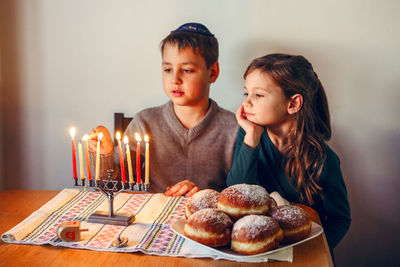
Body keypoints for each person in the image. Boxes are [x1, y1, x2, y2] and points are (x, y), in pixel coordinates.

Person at [88, 23, 238, 197]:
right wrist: (106, 154)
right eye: (168, 69)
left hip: (206, 219)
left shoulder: (234, 129)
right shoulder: (145, 122)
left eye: (187, 70)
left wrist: (204, 195)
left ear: (212, 73)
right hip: (151, 218)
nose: (175, 79)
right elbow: (114, 185)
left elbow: (242, 193)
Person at [226, 53, 351, 253]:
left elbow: (340, 219)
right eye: (246, 93)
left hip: (303, 254)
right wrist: (251, 137)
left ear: (293, 104)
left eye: (258, 95)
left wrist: (311, 251)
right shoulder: (250, 133)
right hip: (258, 247)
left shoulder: (323, 159)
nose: (246, 103)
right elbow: (236, 192)